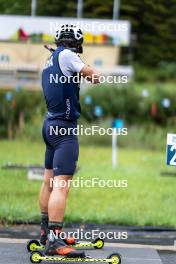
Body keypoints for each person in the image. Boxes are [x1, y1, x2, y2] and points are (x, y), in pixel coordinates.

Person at [39, 24, 100, 257]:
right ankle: (55, 240)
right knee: (61, 185)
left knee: (49, 181)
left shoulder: (51, 58)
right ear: (76, 42)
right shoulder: (67, 55)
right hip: (64, 129)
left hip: (50, 125)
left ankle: (46, 232)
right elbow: (96, 77)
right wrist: (80, 64)